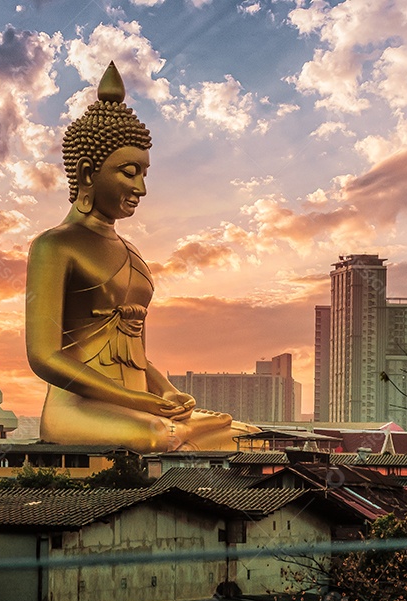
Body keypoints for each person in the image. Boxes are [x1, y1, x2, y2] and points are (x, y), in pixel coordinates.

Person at [25, 63, 253, 453]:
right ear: (86, 173)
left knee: (246, 435)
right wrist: (135, 401)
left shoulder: (132, 254)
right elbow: (44, 356)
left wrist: (168, 392)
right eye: (129, 173)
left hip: (142, 407)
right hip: (80, 408)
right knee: (158, 435)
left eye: (144, 174)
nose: (141, 188)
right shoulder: (54, 246)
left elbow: (138, 356)